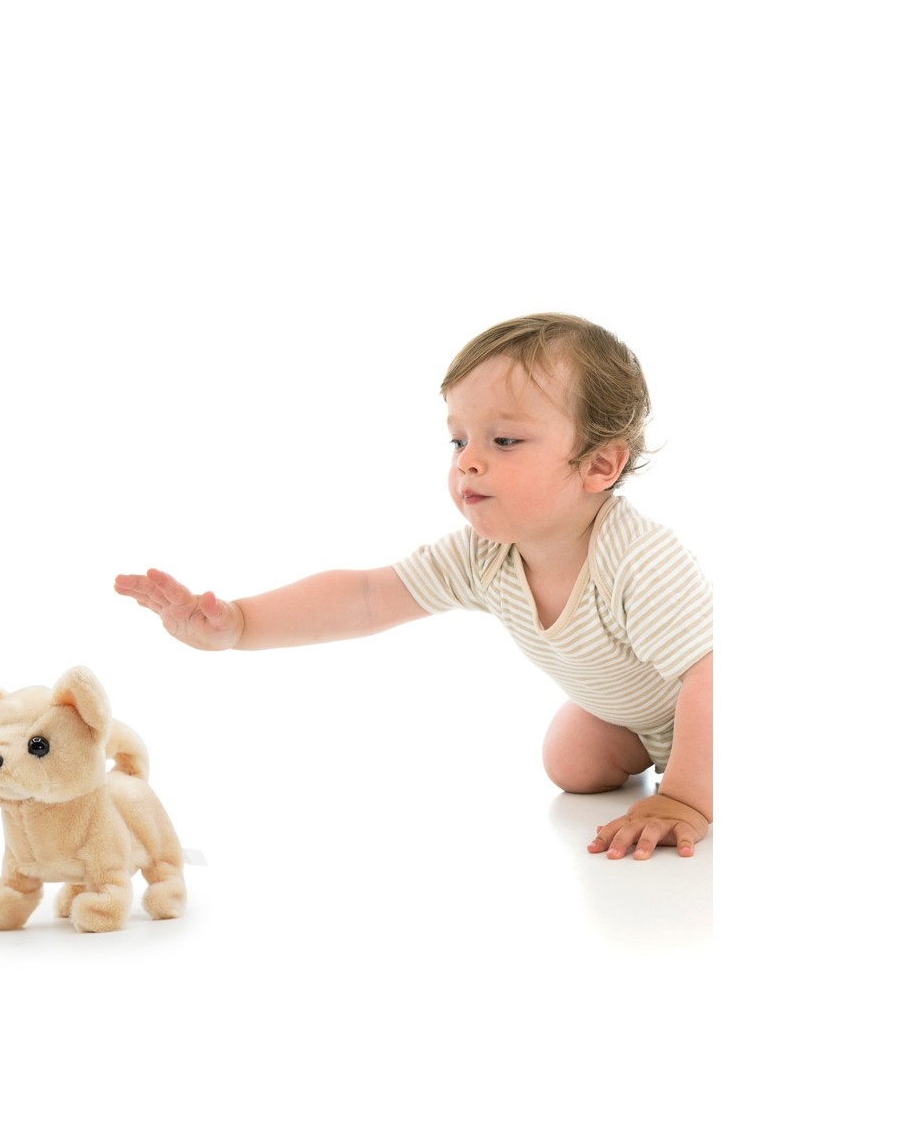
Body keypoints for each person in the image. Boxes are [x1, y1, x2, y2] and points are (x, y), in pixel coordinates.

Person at [115, 313, 712, 861]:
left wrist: (684, 799)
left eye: (504, 441)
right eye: (459, 440)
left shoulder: (636, 559)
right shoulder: (487, 555)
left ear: (600, 466)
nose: (468, 461)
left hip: (716, 708)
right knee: (572, 762)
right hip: (639, 717)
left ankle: (693, 771)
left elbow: (714, 675)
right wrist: (240, 624)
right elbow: (367, 597)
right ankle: (661, 749)